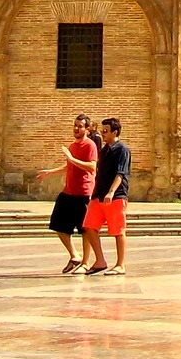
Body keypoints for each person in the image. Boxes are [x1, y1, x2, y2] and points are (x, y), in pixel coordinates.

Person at [36, 114, 99, 275]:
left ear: (87, 129)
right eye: (75, 125)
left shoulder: (90, 145)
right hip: (68, 192)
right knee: (57, 224)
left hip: (84, 192)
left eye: (80, 126)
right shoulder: (73, 145)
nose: (77, 128)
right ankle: (74, 256)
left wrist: (71, 158)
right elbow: (69, 166)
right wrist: (50, 172)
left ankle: (85, 263)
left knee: (85, 229)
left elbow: (92, 167)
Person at [82, 116, 131, 275]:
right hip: (98, 196)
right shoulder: (104, 150)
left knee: (118, 231)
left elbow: (121, 173)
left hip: (116, 197)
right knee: (89, 226)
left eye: (106, 131)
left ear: (115, 132)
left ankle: (120, 264)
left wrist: (111, 192)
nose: (102, 133)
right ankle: (100, 260)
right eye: (102, 130)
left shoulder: (122, 149)